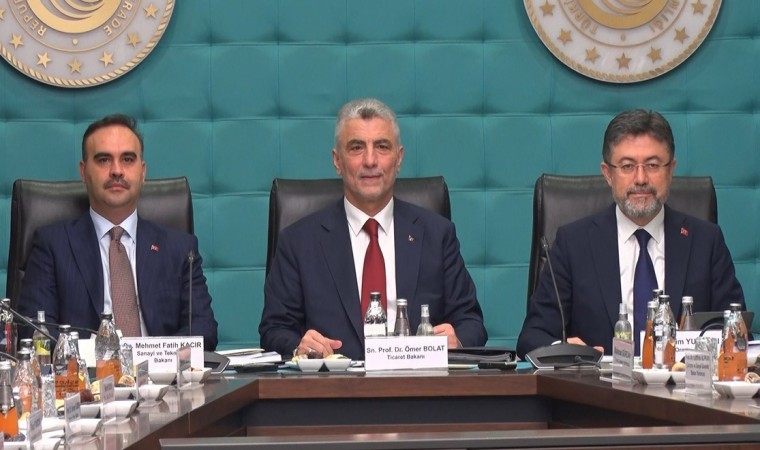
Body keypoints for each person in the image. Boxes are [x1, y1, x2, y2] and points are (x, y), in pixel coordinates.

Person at [260, 98, 487, 360]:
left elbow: (472, 323)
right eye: (356, 147)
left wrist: (457, 340)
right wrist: (299, 347)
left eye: (382, 146)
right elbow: (274, 330)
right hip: (333, 384)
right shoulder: (299, 242)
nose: (370, 160)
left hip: (417, 382)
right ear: (337, 161)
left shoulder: (437, 235)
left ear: (398, 159)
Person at [517, 109, 744, 358]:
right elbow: (532, 337)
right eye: (627, 166)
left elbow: (738, 334)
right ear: (608, 173)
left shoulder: (706, 242)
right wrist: (564, 350)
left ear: (671, 170)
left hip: (683, 382)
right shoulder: (573, 244)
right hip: (598, 383)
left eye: (653, 165)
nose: (640, 178)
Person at [19, 114, 218, 350]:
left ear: (142, 172)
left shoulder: (180, 249)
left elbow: (203, 330)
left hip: (165, 372)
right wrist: (101, 359)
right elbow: (36, 333)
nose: (116, 170)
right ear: (84, 172)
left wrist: (155, 359)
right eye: (104, 160)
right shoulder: (52, 245)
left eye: (127, 159)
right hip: (84, 372)